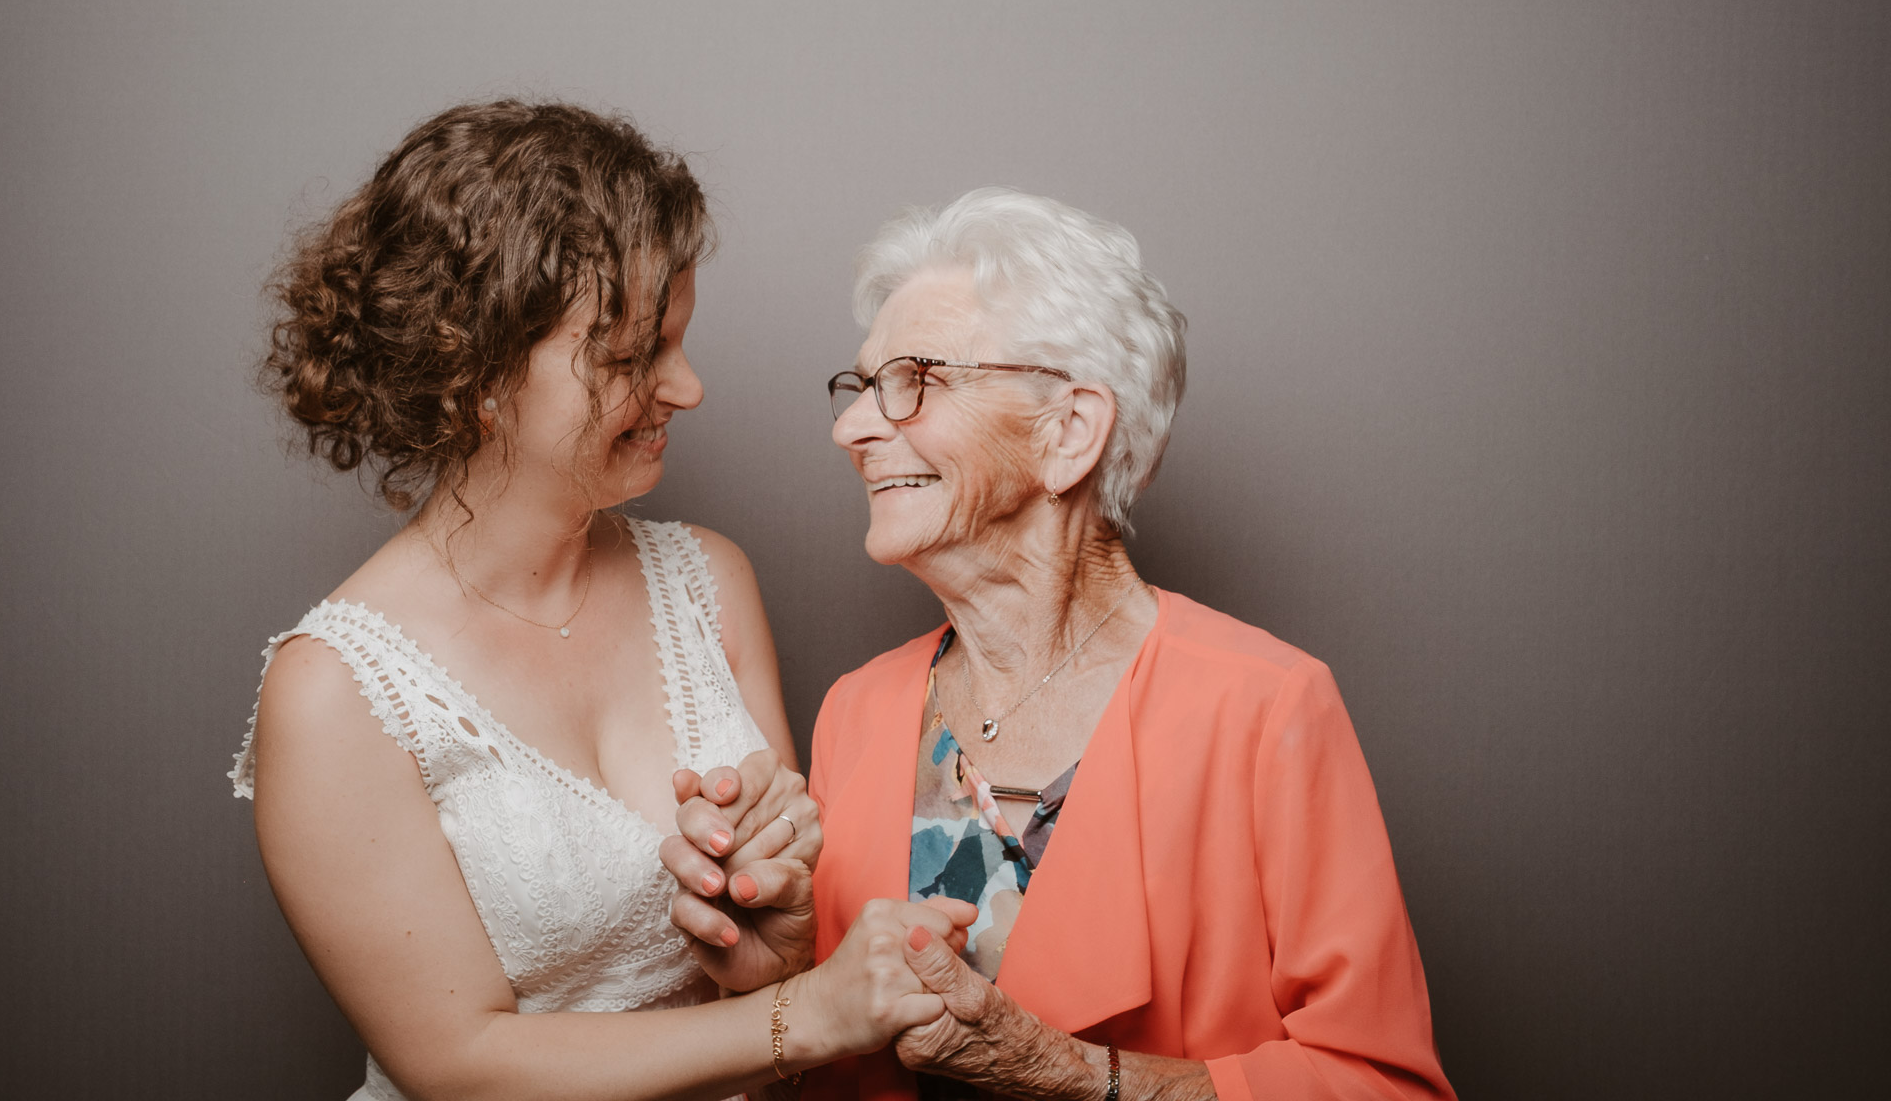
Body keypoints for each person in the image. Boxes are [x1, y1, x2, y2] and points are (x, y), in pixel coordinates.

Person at [229, 100, 972, 1101]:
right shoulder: (334, 691)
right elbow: (457, 1062)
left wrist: (770, 943)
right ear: (476, 373)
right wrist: (799, 1013)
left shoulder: (708, 581)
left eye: (677, 341)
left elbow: (764, 987)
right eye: (632, 356)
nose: (687, 386)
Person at [664, 188, 1455, 1100]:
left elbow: (1386, 1087)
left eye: (912, 381)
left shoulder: (1264, 706)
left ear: (1070, 432)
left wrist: (1064, 1072)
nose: (851, 429)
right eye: (860, 387)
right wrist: (780, 977)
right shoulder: (860, 708)